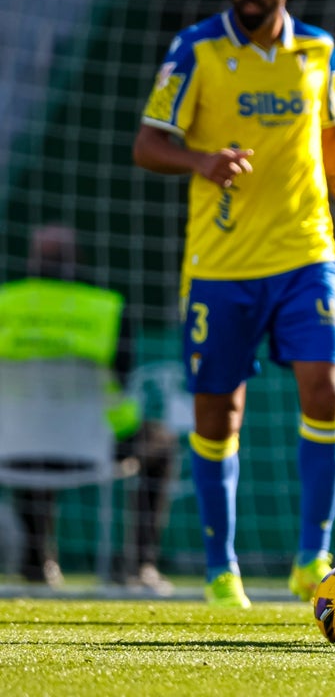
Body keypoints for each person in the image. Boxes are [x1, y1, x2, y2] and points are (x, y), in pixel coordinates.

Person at [132, 0, 335, 608]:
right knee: (217, 415)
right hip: (220, 265)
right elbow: (148, 144)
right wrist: (201, 162)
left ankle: (312, 558)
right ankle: (221, 571)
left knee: (327, 390)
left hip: (307, 256)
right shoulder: (196, 50)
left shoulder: (317, 49)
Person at [0, 225, 177, 595]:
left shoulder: (6, 302)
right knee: (161, 443)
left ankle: (37, 562)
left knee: (31, 433)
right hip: (93, 444)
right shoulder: (106, 307)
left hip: (14, 447)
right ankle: (138, 564)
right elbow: (124, 375)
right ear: (77, 260)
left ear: (31, 261)